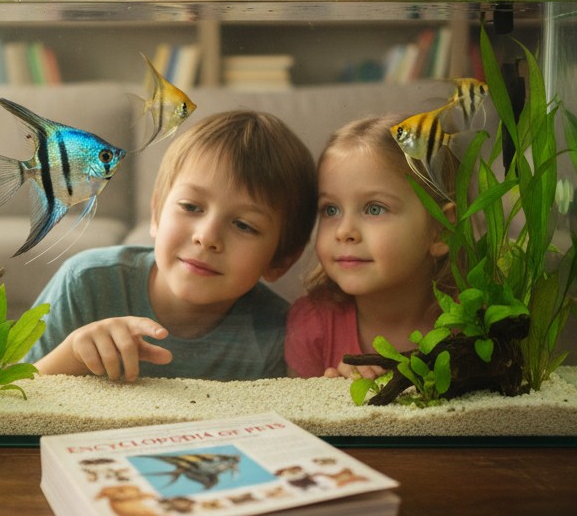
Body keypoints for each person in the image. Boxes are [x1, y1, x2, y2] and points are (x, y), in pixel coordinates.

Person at [26, 110, 318, 381]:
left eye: (244, 225)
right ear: (156, 214)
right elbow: (8, 399)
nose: (207, 237)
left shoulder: (279, 333)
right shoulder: (85, 282)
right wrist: (73, 355)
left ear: (281, 259)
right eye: (191, 207)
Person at [285, 115, 456, 379]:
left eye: (374, 209)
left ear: (441, 231)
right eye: (330, 209)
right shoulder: (314, 324)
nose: (344, 232)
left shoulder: (471, 321)